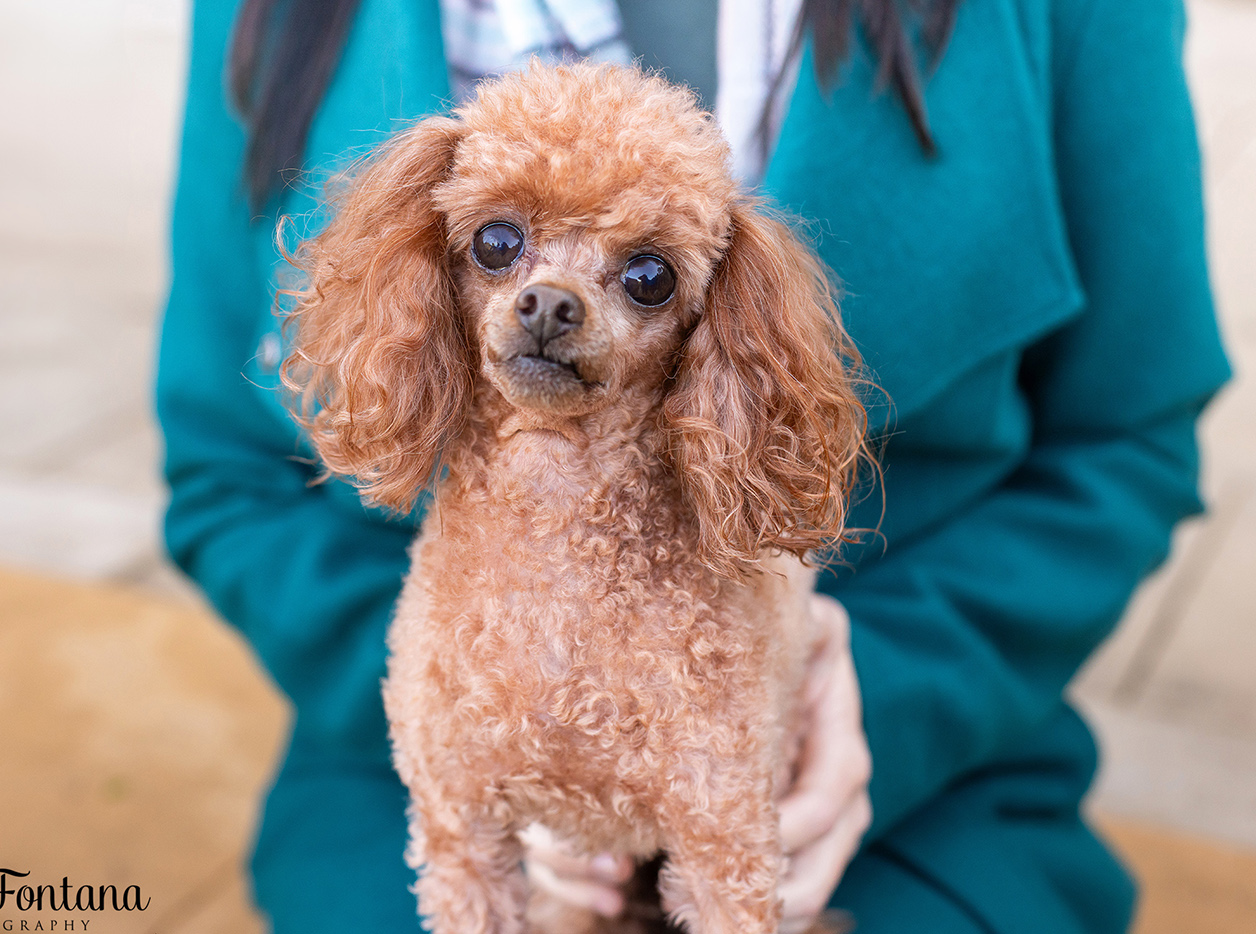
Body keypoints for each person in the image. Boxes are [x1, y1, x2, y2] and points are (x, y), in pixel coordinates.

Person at [155, 0, 1230, 931]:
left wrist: (882, 698)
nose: (546, 299)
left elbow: (1123, 437)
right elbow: (229, 470)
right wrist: (486, 727)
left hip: (927, 780)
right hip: (397, 774)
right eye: (497, 251)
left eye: (646, 276)